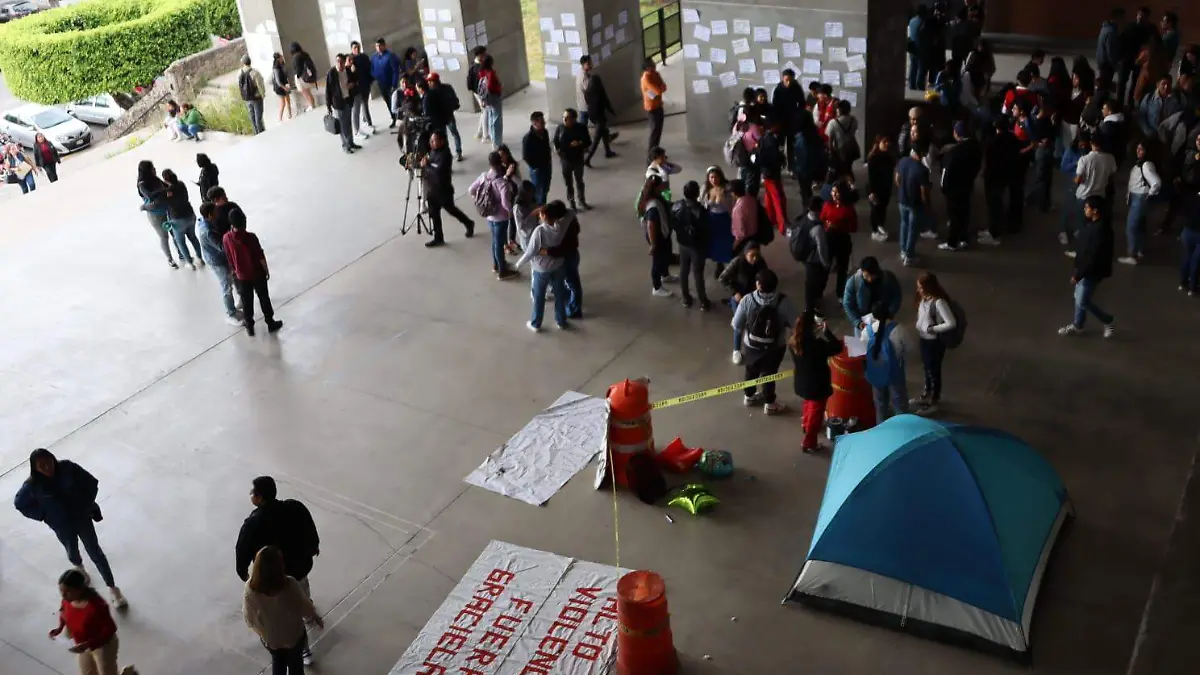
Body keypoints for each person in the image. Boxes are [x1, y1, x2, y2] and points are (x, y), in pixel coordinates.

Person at [15, 449, 127, 608]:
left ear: (53, 459)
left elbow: (91, 483)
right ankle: (79, 567)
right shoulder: (33, 485)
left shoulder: (68, 469)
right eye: (41, 466)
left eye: (48, 462)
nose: (47, 468)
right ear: (35, 468)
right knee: (71, 550)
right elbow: (20, 504)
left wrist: (86, 504)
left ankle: (113, 588)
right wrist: (43, 515)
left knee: (95, 552)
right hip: (62, 525)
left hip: (82, 518)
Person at [235, 476, 320, 666]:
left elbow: (242, 550)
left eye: (253, 493)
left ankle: (301, 648)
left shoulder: (253, 523)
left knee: (283, 614)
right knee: (300, 600)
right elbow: (310, 529)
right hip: (300, 569)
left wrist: (244, 573)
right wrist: (314, 547)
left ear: (259, 498)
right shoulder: (294, 508)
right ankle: (303, 641)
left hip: (272, 580)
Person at [244, 545, 323, 674]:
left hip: (271, 639)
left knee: (278, 661)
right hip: (293, 636)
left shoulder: (250, 591)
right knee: (296, 665)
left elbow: (249, 618)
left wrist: (261, 631)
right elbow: (303, 606)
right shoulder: (289, 584)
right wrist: (315, 616)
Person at [48, 569, 138, 675]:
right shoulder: (67, 600)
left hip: (103, 645)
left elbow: (110, 629)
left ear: (80, 589)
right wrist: (59, 628)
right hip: (82, 645)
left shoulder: (97, 605)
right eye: (61, 590)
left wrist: (88, 644)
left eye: (68, 591)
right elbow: (64, 614)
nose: (63, 595)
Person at [732, 269, 795, 415]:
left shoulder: (747, 300)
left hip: (751, 345)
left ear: (758, 285)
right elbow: (795, 324)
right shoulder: (784, 302)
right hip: (775, 346)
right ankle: (770, 403)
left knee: (750, 370)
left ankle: (749, 396)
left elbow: (736, 324)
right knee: (769, 374)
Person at [1059, 195, 1116, 337]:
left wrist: (1078, 274)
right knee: (1079, 298)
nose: (1085, 209)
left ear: (1095, 211)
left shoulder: (1098, 231)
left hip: (1090, 271)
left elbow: (1092, 255)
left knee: (1082, 300)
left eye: (1087, 207)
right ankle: (1078, 325)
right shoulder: (1096, 226)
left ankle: (1108, 320)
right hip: (1087, 269)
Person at [223, 208, 283, 336]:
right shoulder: (251, 237)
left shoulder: (227, 238)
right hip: (257, 273)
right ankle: (270, 322)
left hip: (241, 276)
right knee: (264, 298)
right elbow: (260, 255)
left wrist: (234, 270)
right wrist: (266, 270)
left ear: (231, 224)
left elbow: (228, 256)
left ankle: (250, 327)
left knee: (246, 301)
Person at [790, 311, 843, 453]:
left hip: (802, 382)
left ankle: (805, 424)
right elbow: (837, 347)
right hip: (817, 385)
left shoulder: (794, 342)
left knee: (808, 404)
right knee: (816, 413)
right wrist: (827, 332)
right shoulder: (817, 345)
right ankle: (809, 442)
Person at [515, 200, 571, 332]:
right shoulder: (562, 224)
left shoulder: (539, 231)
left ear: (545, 216)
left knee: (539, 296)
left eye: (541, 214)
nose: (539, 215)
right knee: (559, 293)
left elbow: (530, 252)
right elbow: (570, 212)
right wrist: (555, 209)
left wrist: (518, 264)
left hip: (541, 268)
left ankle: (536, 323)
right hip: (558, 266)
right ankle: (561, 321)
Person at [469, 151, 520, 280]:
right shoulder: (501, 182)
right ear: (501, 163)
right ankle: (502, 271)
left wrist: (480, 199)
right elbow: (505, 202)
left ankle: (496, 264)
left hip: (489, 216)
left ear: (489, 163)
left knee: (495, 242)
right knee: (499, 243)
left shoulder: (484, 176)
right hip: (501, 218)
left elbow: (471, 190)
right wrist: (511, 211)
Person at [912, 272, 957, 415]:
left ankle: (934, 399)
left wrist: (933, 329)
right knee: (927, 368)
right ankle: (927, 393)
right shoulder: (924, 299)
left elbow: (951, 323)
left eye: (921, 287)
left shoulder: (939, 302)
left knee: (934, 370)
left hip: (934, 342)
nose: (918, 290)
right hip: (924, 338)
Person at [422, 131, 475, 248]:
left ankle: (468, 223)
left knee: (451, 210)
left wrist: (427, 166)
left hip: (443, 190)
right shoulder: (432, 152)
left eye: (434, 140)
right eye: (431, 140)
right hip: (432, 190)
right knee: (434, 214)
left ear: (442, 141)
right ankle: (438, 237)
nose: (431, 143)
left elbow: (438, 173)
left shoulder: (445, 155)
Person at [196, 202, 243, 325]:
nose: (218, 213)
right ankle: (231, 314)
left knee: (231, 280)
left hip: (217, 258)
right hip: (218, 261)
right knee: (226, 286)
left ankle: (235, 307)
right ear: (210, 215)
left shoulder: (203, 222)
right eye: (215, 211)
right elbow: (223, 246)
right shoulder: (208, 231)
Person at [721, 244, 768, 364]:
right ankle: (736, 350)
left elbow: (765, 277)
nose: (754, 259)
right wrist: (734, 292)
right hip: (739, 298)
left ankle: (755, 347)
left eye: (757, 255)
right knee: (739, 324)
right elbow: (723, 278)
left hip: (755, 298)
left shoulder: (760, 263)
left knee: (755, 322)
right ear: (745, 254)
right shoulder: (737, 262)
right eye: (751, 256)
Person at [864, 305, 911, 422]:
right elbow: (910, 348)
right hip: (895, 372)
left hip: (875, 372)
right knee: (899, 403)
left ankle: (882, 428)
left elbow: (863, 350)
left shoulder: (867, 331)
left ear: (873, 316)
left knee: (880, 404)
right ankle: (903, 430)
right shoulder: (899, 329)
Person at [939, 121, 981, 251]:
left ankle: (952, 242)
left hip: (954, 189)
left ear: (956, 134)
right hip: (967, 185)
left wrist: (943, 188)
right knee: (965, 212)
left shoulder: (953, 152)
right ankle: (964, 238)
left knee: (954, 215)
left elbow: (946, 173)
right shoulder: (975, 147)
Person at [1072, 134, 1118, 245]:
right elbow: (1112, 175)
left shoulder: (1084, 159)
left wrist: (1075, 181)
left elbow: (1078, 179)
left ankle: (1081, 247)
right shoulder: (1110, 158)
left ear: (1091, 144)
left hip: (1084, 195)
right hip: (1100, 196)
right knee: (1096, 225)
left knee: (1082, 225)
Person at [672, 180, 710, 310]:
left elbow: (673, 223)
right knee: (698, 273)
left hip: (682, 243)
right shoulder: (700, 210)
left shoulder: (677, 206)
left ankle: (686, 298)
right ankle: (703, 301)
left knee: (684, 271)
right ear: (697, 193)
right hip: (697, 246)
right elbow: (706, 229)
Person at [1122, 141, 1162, 264]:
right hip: (1137, 196)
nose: (1138, 151)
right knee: (1140, 226)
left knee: (1131, 227)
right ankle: (1139, 249)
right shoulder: (1143, 164)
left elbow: (1156, 182)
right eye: (1138, 148)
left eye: (1142, 149)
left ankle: (1132, 254)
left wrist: (1149, 193)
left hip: (1139, 197)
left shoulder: (1145, 165)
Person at [894, 140, 931, 265]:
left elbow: (897, 179)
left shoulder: (903, 161)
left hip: (902, 200)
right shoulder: (922, 170)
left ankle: (903, 250)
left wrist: (903, 189)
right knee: (913, 229)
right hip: (915, 204)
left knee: (903, 225)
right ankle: (909, 256)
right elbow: (923, 192)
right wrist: (926, 205)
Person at [136, 160, 178, 267]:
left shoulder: (155, 179)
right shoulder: (142, 185)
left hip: (166, 210)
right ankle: (170, 259)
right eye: (152, 168)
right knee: (164, 237)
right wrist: (164, 191)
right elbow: (150, 196)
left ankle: (181, 253)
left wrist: (169, 186)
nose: (155, 169)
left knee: (174, 233)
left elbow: (167, 186)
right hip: (156, 215)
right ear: (147, 171)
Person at [842, 256, 902, 331]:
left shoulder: (888, 278)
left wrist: (890, 312)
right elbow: (848, 304)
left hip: (884, 319)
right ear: (862, 271)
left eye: (873, 275)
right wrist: (858, 322)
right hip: (863, 323)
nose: (870, 279)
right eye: (866, 276)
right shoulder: (853, 283)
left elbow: (896, 295)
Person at [578, 56, 619, 166]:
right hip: (596, 114)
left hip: (592, 112)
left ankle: (607, 151)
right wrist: (612, 111)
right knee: (596, 138)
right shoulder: (593, 89)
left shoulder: (588, 87)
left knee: (603, 131)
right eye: (589, 63)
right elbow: (605, 102)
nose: (591, 64)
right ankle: (588, 158)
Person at [793, 197, 831, 312]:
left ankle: (811, 304)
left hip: (805, 257)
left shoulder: (803, 219)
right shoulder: (818, 228)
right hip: (814, 260)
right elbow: (822, 249)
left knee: (810, 282)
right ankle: (810, 307)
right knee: (814, 283)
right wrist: (827, 264)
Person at [639, 174, 674, 298]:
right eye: (661, 185)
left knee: (665, 256)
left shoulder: (656, 197)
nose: (663, 186)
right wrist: (653, 244)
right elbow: (651, 225)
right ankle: (657, 287)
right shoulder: (653, 206)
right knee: (657, 260)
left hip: (663, 233)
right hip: (657, 236)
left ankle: (665, 275)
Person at [162, 168, 203, 270]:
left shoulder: (167, 191)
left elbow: (164, 203)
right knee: (193, 237)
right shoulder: (181, 184)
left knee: (181, 242)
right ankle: (200, 258)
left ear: (165, 180)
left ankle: (190, 263)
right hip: (190, 214)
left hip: (177, 220)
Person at [553, 108, 590, 211]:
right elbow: (555, 141)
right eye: (564, 117)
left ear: (574, 119)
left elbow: (588, 141)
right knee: (568, 183)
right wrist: (557, 150)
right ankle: (572, 203)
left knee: (579, 181)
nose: (565, 120)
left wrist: (579, 143)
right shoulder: (560, 128)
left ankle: (582, 200)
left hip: (578, 159)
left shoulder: (581, 128)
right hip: (565, 160)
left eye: (568, 118)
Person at [703, 166, 736, 276]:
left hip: (724, 218)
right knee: (714, 241)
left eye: (716, 177)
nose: (714, 180)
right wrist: (710, 200)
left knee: (725, 240)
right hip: (712, 218)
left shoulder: (726, 188)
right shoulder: (706, 188)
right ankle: (718, 262)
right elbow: (702, 203)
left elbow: (732, 204)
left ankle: (727, 263)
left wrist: (723, 198)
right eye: (711, 177)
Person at [758, 119, 788, 233]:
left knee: (770, 197)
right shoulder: (771, 140)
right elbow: (774, 158)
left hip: (767, 174)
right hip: (772, 174)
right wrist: (781, 161)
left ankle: (771, 219)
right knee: (779, 198)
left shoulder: (765, 138)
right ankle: (783, 225)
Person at [425, 73, 464, 160]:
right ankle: (457, 152)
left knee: (444, 136)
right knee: (453, 134)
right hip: (448, 116)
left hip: (442, 118)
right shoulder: (447, 88)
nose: (429, 83)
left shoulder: (433, 92)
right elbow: (454, 100)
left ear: (434, 81)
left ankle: (451, 154)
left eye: (430, 81)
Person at [325, 54, 359, 154]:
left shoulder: (348, 71)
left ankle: (351, 142)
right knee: (342, 125)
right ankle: (345, 145)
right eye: (337, 61)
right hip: (338, 103)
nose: (339, 63)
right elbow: (328, 90)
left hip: (347, 100)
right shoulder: (331, 73)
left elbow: (356, 81)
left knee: (348, 123)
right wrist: (328, 105)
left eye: (341, 61)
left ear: (345, 62)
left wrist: (352, 84)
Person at [772, 69, 805, 171]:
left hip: (793, 120)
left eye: (791, 80)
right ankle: (779, 165)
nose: (789, 82)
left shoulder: (797, 87)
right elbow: (775, 106)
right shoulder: (778, 89)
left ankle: (792, 167)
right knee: (779, 145)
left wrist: (799, 115)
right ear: (783, 78)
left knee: (792, 146)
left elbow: (802, 103)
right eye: (787, 80)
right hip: (781, 121)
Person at [867, 135, 895, 241]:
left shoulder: (888, 157)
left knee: (883, 208)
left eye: (888, 141)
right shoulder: (873, 158)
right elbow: (871, 177)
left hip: (886, 188)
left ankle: (880, 226)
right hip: (876, 189)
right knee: (875, 209)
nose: (887, 144)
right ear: (878, 143)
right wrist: (872, 191)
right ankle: (874, 230)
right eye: (884, 142)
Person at [522, 111, 552, 205]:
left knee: (545, 189)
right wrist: (535, 166)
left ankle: (543, 207)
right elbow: (525, 156)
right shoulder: (528, 138)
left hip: (546, 166)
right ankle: (539, 210)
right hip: (537, 169)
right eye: (542, 122)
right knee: (538, 191)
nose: (544, 123)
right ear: (534, 123)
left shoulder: (545, 132)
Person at [371, 38, 402, 128]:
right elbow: (372, 68)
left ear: (384, 46)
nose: (379, 48)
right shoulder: (374, 57)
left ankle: (400, 118)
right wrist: (375, 75)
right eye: (377, 46)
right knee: (388, 102)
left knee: (395, 101)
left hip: (390, 83)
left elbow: (395, 71)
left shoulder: (390, 56)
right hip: (381, 83)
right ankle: (393, 118)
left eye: (380, 45)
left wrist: (394, 84)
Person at [641, 58, 667, 161]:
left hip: (659, 105)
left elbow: (663, 87)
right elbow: (658, 90)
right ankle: (650, 155)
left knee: (659, 130)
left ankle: (656, 152)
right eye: (652, 64)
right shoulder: (646, 78)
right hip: (651, 108)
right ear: (647, 67)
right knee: (654, 132)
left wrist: (660, 88)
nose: (654, 65)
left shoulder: (656, 74)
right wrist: (660, 88)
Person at [348, 41, 375, 140]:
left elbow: (369, 69)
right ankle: (367, 123)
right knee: (361, 107)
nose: (357, 49)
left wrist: (371, 80)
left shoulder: (364, 57)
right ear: (351, 49)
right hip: (357, 87)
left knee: (365, 104)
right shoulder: (350, 59)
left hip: (365, 84)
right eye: (355, 47)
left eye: (358, 47)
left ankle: (366, 122)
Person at [476, 54, 503, 149]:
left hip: (487, 99)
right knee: (497, 119)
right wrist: (499, 87)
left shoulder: (482, 72)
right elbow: (491, 86)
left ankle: (493, 139)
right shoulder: (491, 73)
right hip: (494, 97)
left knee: (491, 117)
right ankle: (497, 143)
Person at [826, 100, 861, 174]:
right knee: (848, 167)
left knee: (840, 170)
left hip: (839, 149)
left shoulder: (833, 122)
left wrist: (831, 152)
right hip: (851, 147)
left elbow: (830, 140)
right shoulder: (853, 120)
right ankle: (850, 182)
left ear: (838, 110)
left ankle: (843, 183)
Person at [467, 46, 491, 145]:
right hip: (480, 93)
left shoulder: (474, 65)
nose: (486, 55)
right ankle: (485, 136)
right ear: (480, 55)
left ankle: (480, 133)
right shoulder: (478, 68)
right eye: (484, 54)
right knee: (486, 112)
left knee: (483, 111)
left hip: (477, 92)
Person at [239, 56, 267, 135]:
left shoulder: (240, 73)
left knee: (252, 118)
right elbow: (260, 85)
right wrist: (263, 94)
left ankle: (256, 133)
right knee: (258, 118)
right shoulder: (255, 73)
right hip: (256, 97)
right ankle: (262, 134)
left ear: (243, 63)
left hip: (247, 99)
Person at [1179, 189, 1200, 295]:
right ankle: (1193, 287)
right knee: (1196, 261)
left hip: (1187, 231)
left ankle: (1183, 283)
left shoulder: (1191, 197)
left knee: (1187, 256)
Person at [289, 42, 320, 112]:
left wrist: (297, 76)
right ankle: (312, 105)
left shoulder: (296, 56)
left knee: (305, 92)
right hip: (308, 76)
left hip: (301, 78)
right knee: (308, 92)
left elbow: (298, 69)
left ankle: (311, 105)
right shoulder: (305, 54)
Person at [730, 178, 758, 253]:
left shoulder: (737, 209)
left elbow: (740, 233)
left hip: (744, 241)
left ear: (733, 193)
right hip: (754, 234)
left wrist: (734, 246)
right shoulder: (752, 200)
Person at [908, 5, 930, 91]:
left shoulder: (912, 21)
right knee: (921, 69)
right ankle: (920, 86)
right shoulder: (925, 22)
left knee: (913, 67)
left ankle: (911, 85)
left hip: (913, 48)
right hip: (923, 49)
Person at [1096, 9, 1123, 78]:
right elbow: (1111, 51)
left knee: (1103, 83)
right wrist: (1116, 66)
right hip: (1107, 65)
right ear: (1119, 18)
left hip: (1102, 62)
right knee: (1105, 84)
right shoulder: (1111, 32)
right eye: (1123, 17)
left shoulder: (1105, 28)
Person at [271, 52, 294, 122]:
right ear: (278, 58)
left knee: (288, 100)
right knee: (283, 103)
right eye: (281, 57)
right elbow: (278, 81)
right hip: (279, 87)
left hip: (284, 84)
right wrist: (284, 87)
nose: (282, 58)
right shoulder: (276, 68)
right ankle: (280, 119)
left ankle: (290, 115)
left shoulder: (282, 65)